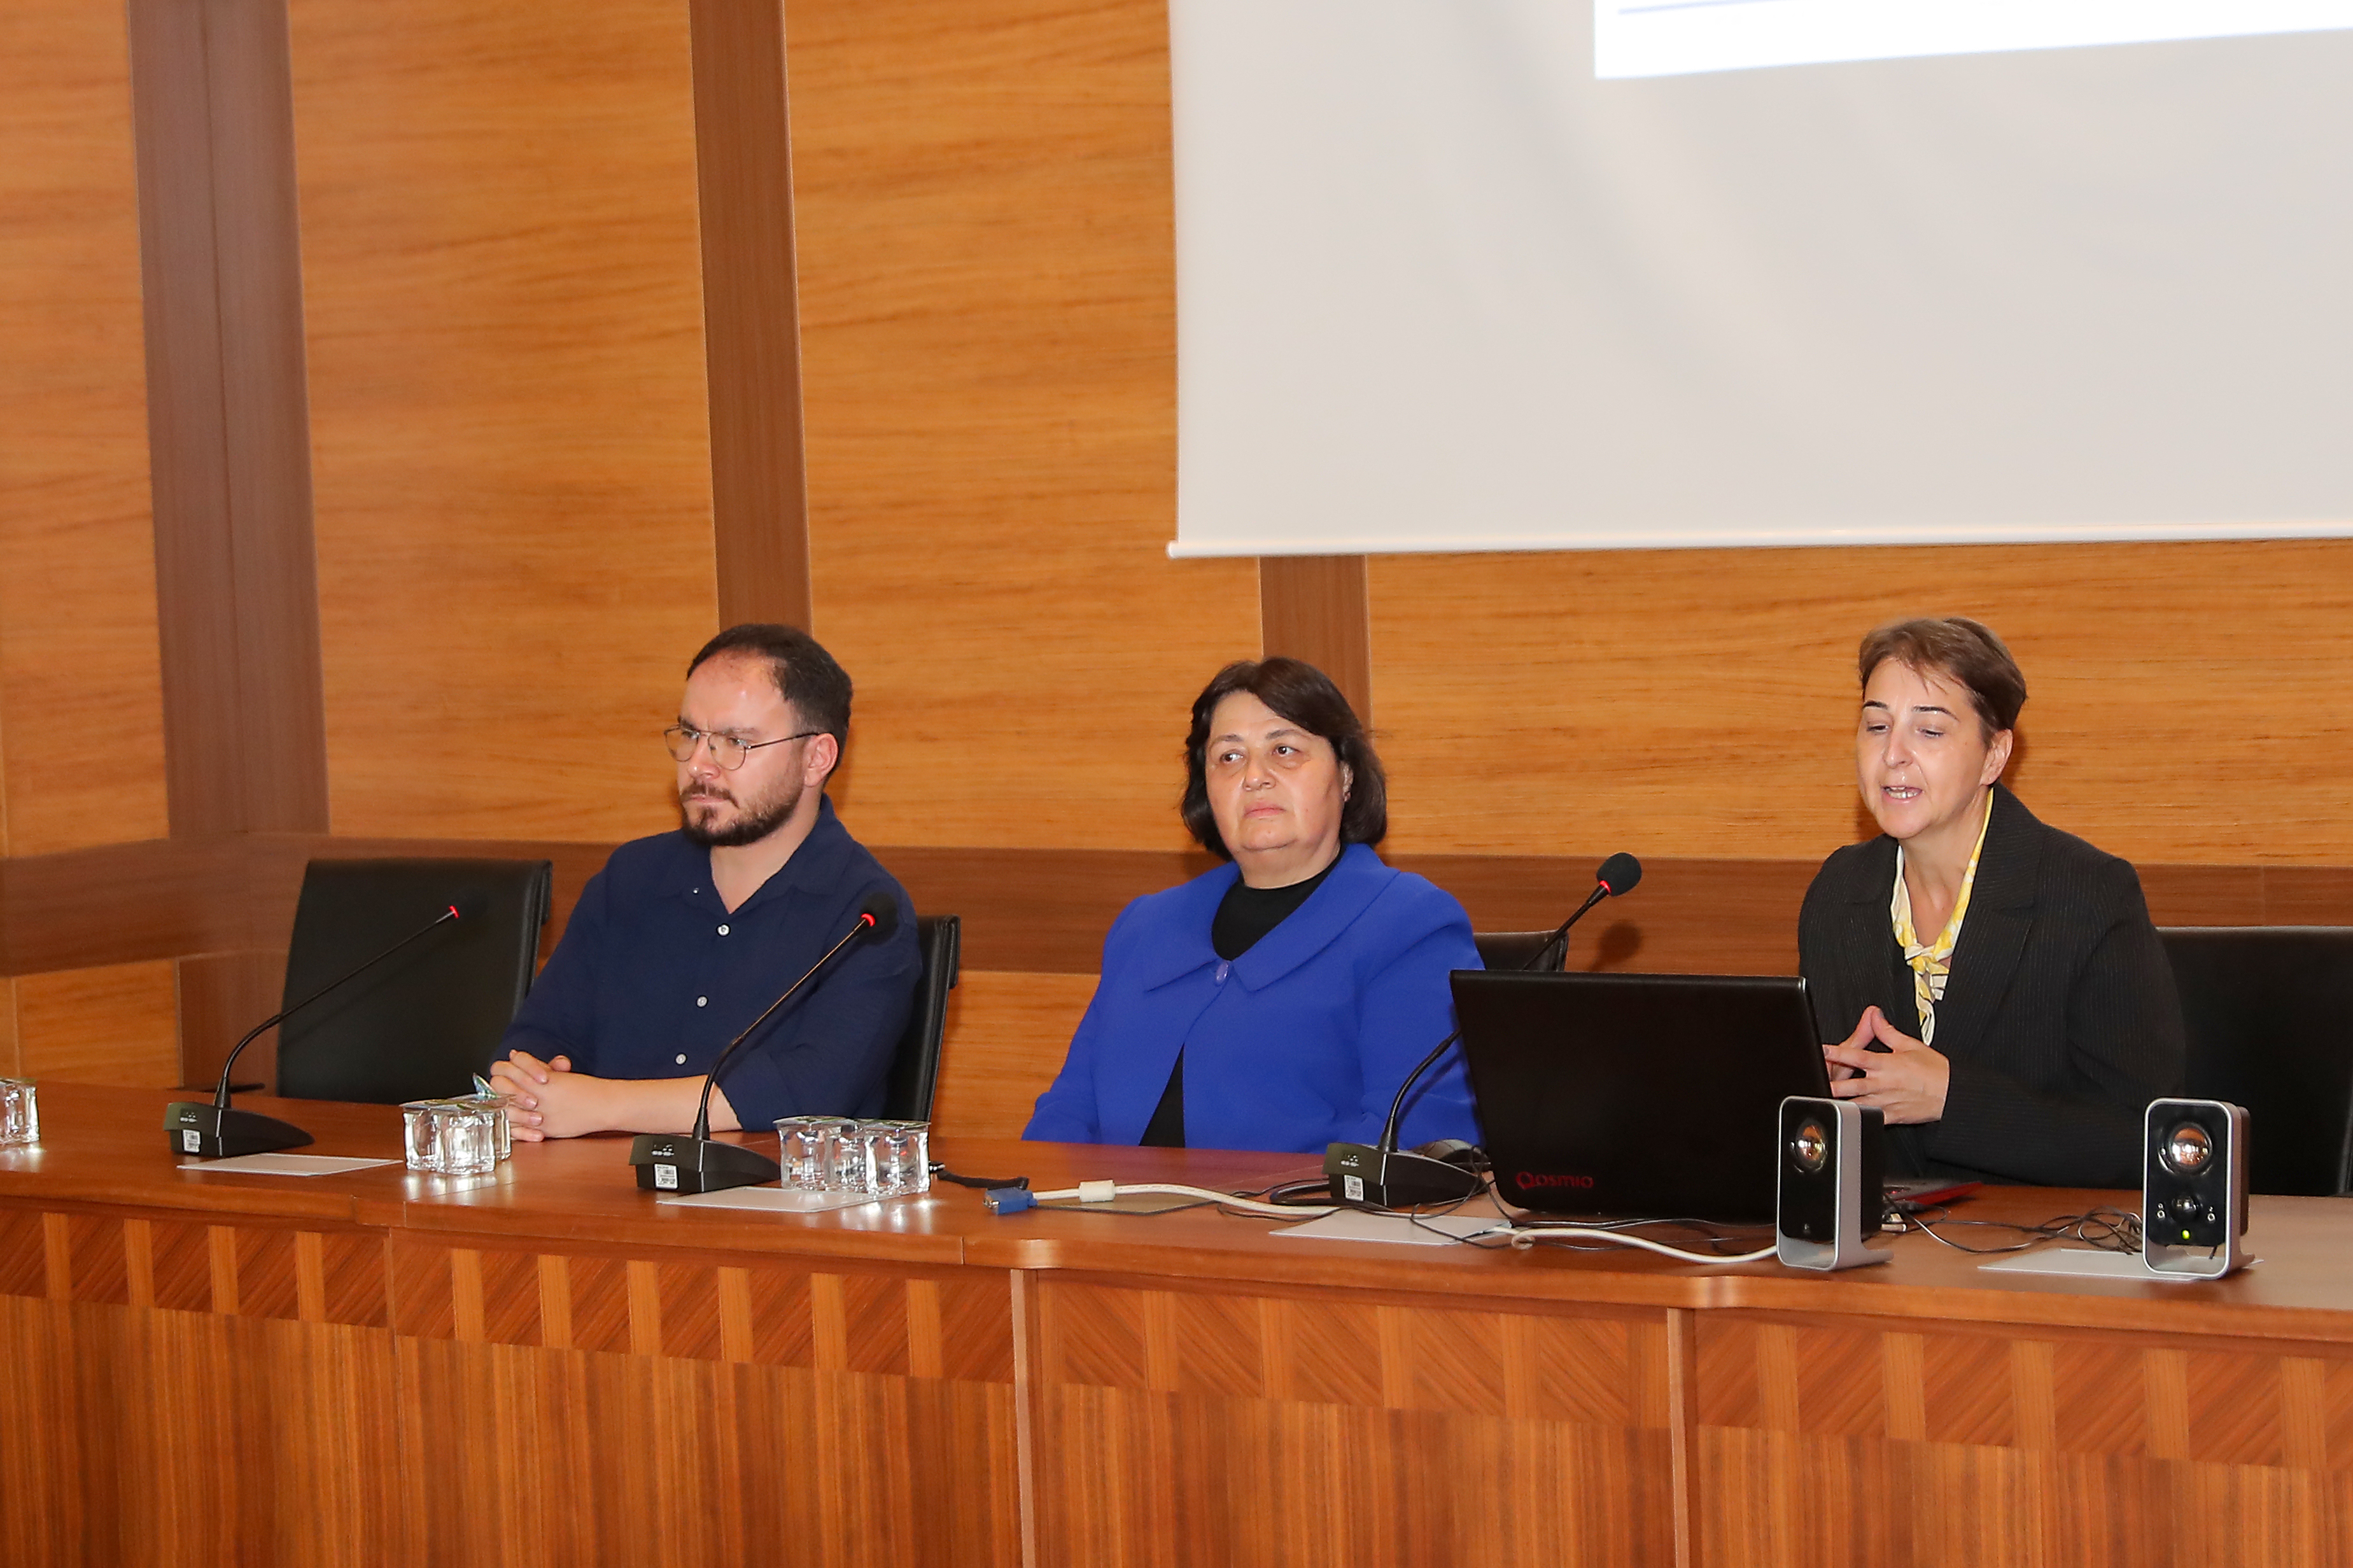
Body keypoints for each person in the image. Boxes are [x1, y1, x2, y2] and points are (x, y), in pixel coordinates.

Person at [1025, 658, 1482, 1153]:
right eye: (1228, 758)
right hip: (1116, 1222)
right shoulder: (1146, 925)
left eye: (1284, 750)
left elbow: (1420, 1133)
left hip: (1301, 1220)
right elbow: (1070, 1109)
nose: (1254, 777)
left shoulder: (1409, 923)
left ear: (1345, 775)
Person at [491, 624, 919, 1141]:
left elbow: (814, 1091)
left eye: (736, 742)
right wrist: (531, 1087)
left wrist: (606, 1104)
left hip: (771, 1206)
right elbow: (536, 1040)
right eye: (691, 735)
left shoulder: (866, 914)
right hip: (599, 1194)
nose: (699, 765)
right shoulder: (630, 880)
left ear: (815, 759)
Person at [1798, 617, 2183, 1187]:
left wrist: (1954, 1100)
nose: (1893, 754)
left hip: (2039, 1252)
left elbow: (2146, 1141)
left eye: (1928, 732)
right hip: (1880, 1252)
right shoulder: (1837, 893)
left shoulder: (2086, 895)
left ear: (1993, 755)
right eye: (1876, 726)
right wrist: (1812, 1096)